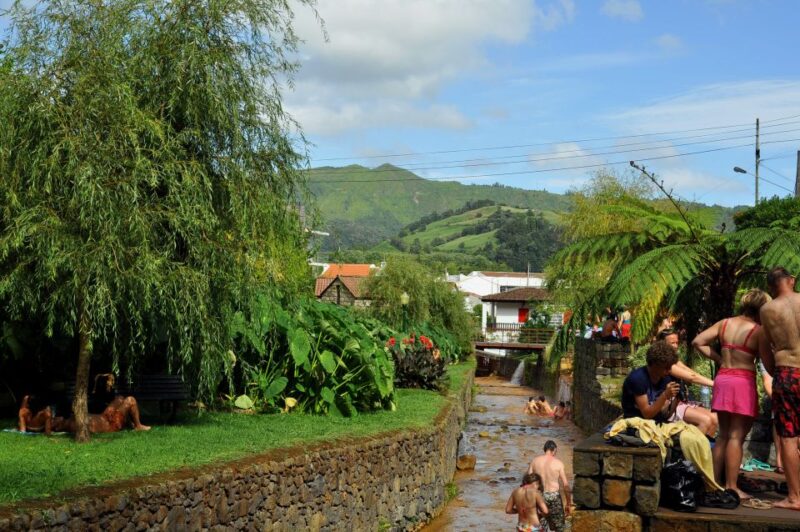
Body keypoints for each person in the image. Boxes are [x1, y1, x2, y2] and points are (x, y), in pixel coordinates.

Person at [693, 288, 770, 500]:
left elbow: (698, 342)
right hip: (741, 382)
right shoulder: (758, 331)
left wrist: (719, 360)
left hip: (723, 378)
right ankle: (732, 486)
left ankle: (713, 483)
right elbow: (768, 362)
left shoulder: (724, 323)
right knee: (737, 436)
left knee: (723, 435)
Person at [759, 267, 800, 511]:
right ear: (791, 280)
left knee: (788, 436)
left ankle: (795, 497)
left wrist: (777, 374)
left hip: (786, 373)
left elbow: (765, 354)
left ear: (772, 287)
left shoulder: (767, 310)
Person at [659, 329, 718, 436]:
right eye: (672, 343)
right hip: (669, 407)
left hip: (681, 402)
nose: (676, 346)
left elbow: (691, 372)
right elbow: (691, 378)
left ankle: (707, 450)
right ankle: (692, 450)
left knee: (715, 418)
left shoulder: (674, 360)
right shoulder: (665, 363)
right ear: (662, 344)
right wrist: (716, 384)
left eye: (677, 343)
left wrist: (714, 382)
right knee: (706, 420)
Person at [621, 341, 680, 423]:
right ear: (654, 365)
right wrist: (665, 395)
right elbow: (647, 414)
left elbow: (665, 413)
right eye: (666, 368)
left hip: (656, 421)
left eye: (670, 367)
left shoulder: (665, 378)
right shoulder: (638, 379)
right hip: (637, 423)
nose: (669, 371)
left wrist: (677, 398)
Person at [527, 440, 571, 532]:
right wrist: (568, 503)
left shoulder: (535, 461)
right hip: (554, 496)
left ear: (545, 449)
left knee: (540, 527)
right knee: (559, 527)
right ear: (554, 450)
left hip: (539, 496)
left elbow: (527, 483)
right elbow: (566, 486)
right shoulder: (558, 463)